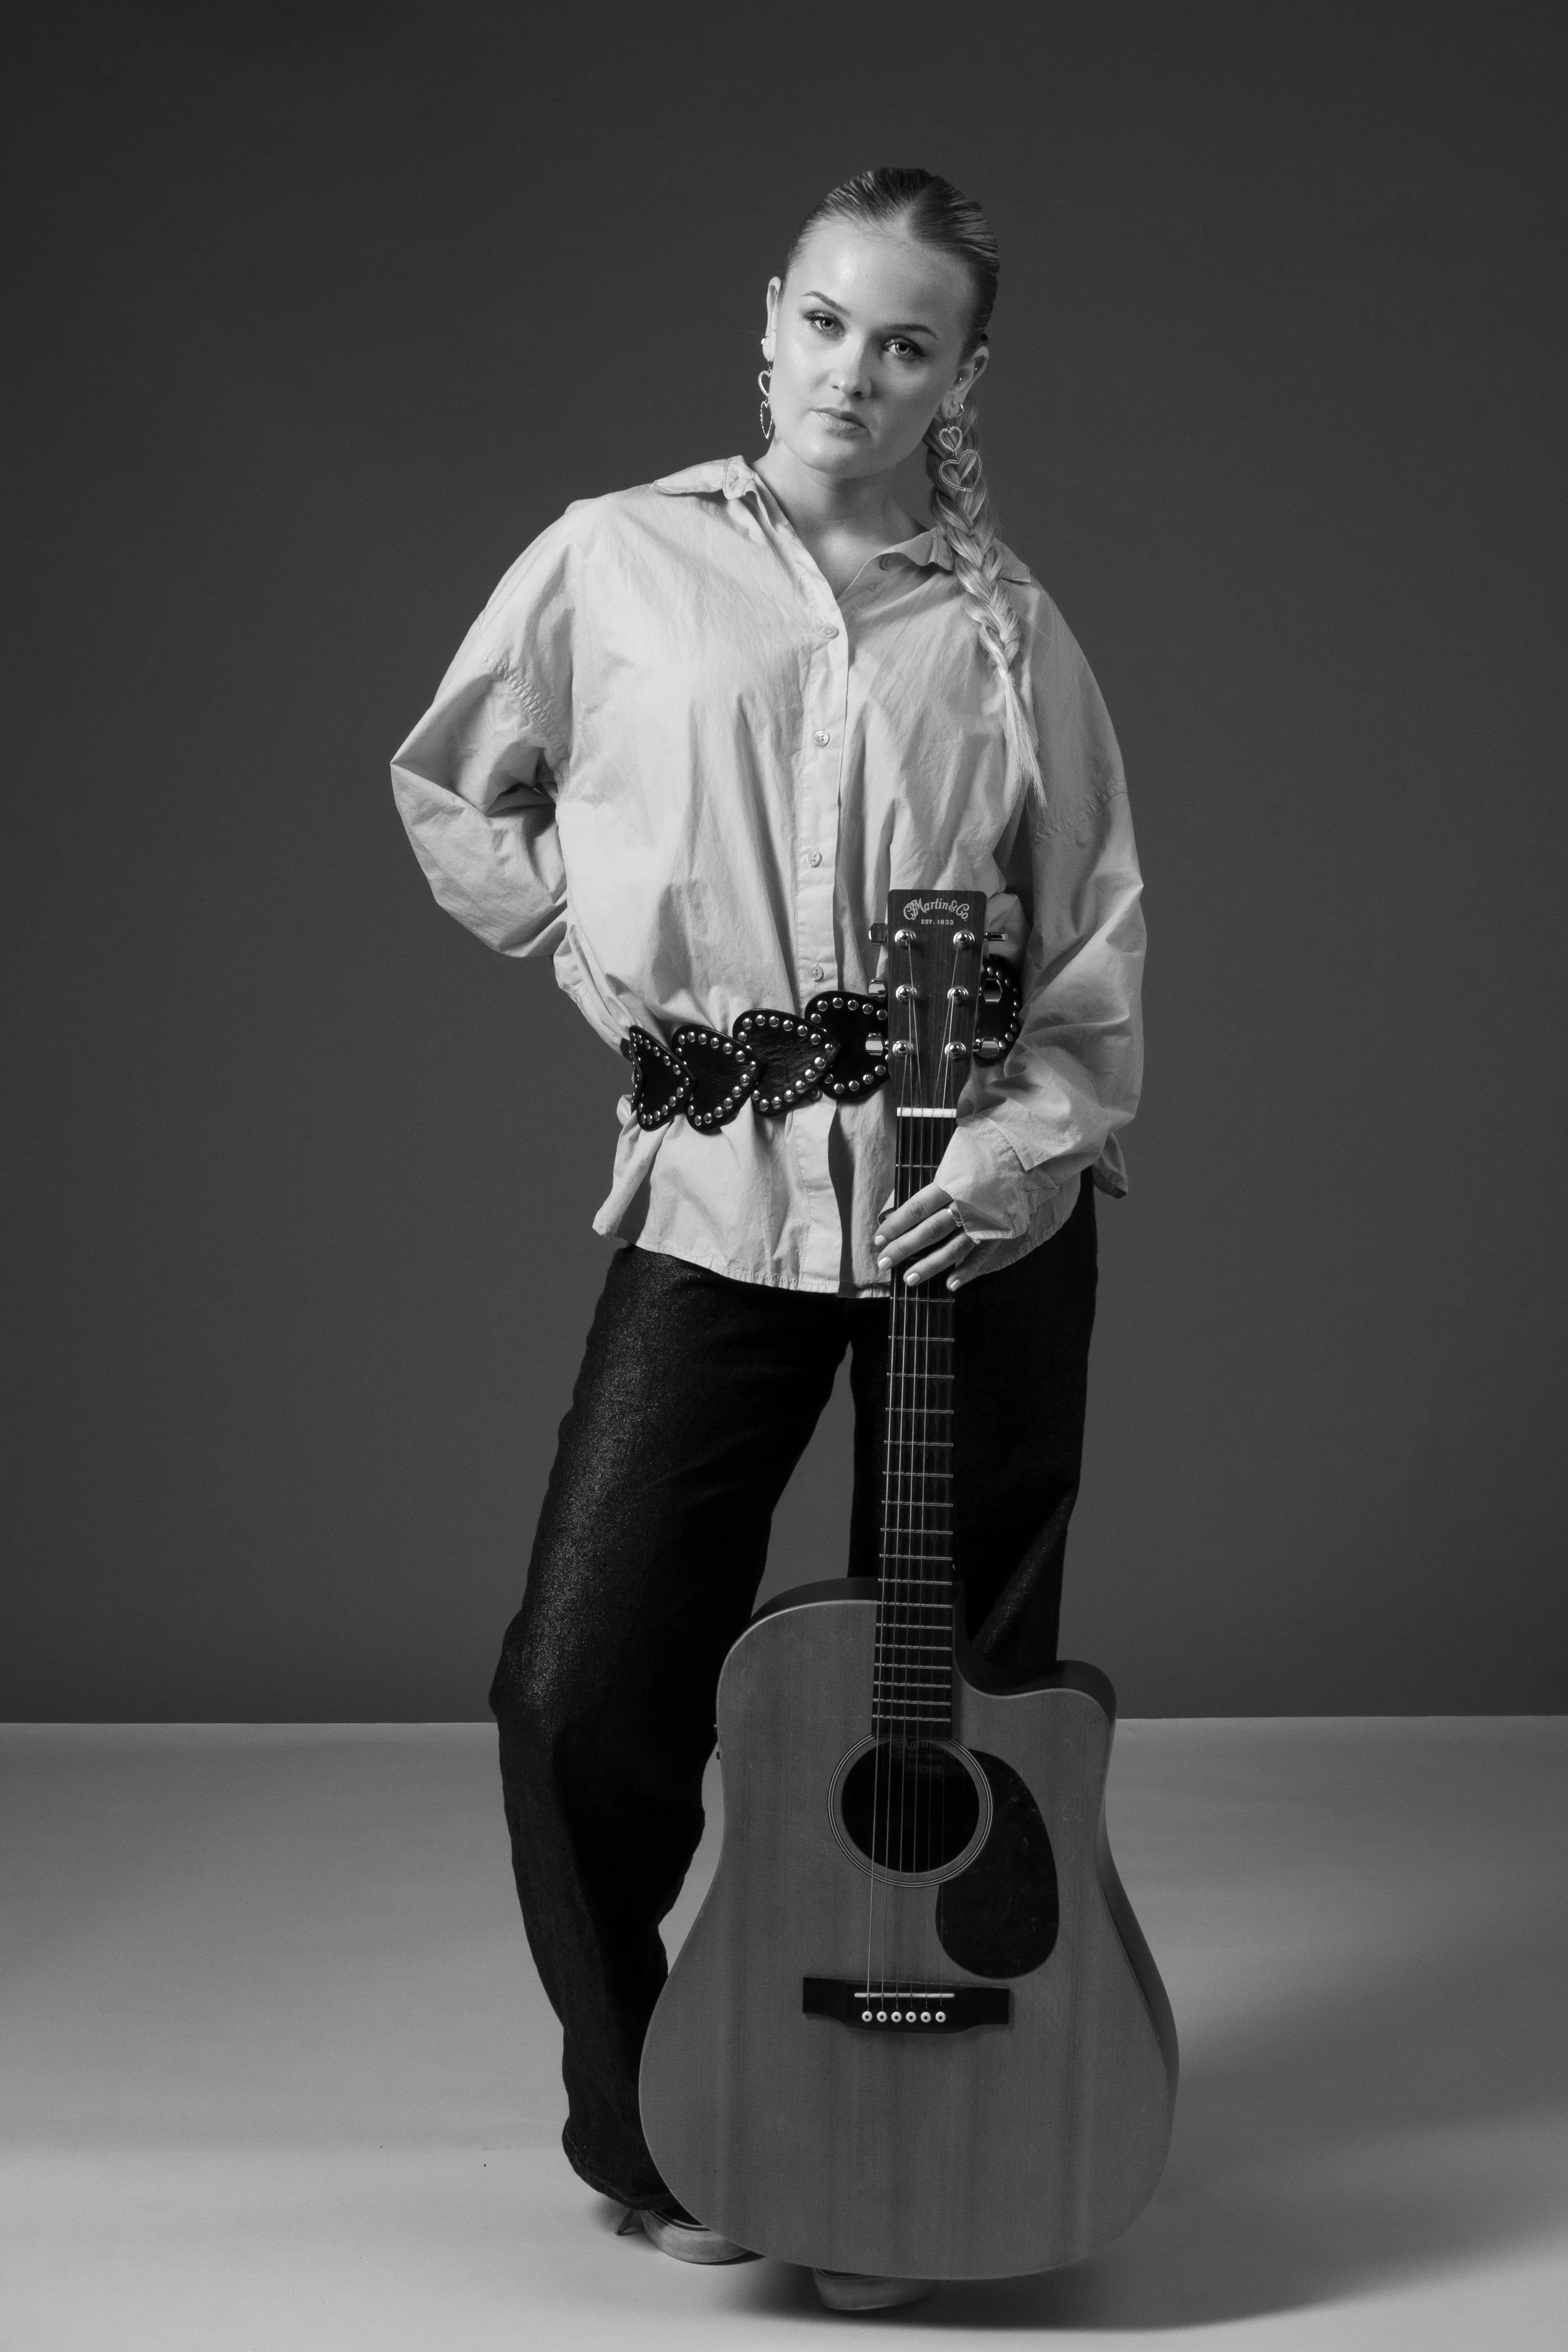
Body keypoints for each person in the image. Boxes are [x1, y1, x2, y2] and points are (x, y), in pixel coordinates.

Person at [390, 166, 1144, 2306]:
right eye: (828, 322)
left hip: (970, 1215)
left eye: (908, 342)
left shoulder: (1004, 627)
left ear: (959, 377)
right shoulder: (610, 558)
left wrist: (1026, 1143)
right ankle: (662, 2115)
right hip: (722, 1200)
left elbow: (1085, 943)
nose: (856, 370)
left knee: (969, 1711)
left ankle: (954, 2118)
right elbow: (460, 786)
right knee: (581, 1676)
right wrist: (591, 955)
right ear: (769, 322)